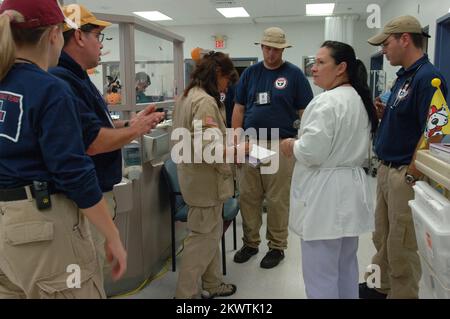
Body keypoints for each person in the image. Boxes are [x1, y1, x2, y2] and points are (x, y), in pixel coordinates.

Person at [0, 0, 126, 298]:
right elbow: (74, 173)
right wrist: (112, 235)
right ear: (54, 34)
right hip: (42, 232)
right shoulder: (49, 88)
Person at [49, 4, 164, 285]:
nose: (101, 45)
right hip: (83, 205)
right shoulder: (62, 80)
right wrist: (134, 130)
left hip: (95, 197)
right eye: (98, 37)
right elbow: (92, 143)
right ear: (78, 37)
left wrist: (130, 124)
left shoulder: (78, 78)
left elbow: (95, 127)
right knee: (84, 278)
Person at [280, 41, 378, 299]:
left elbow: (312, 152)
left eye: (321, 62)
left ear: (341, 68)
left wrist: (291, 145)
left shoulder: (326, 102)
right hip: (350, 190)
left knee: (320, 275)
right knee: (346, 267)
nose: (313, 68)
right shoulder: (358, 99)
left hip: (325, 197)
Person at [360, 15, 448, 299]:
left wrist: (413, 172)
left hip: (404, 174)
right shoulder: (405, 77)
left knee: (402, 244)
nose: (383, 50)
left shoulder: (428, 79)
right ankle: (381, 285)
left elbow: (437, 132)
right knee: (382, 235)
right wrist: (388, 115)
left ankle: (403, 293)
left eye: (386, 44)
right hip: (387, 170)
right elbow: (412, 121)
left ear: (405, 39)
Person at [232, 27, 313, 269]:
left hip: (280, 144)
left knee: (277, 199)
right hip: (251, 143)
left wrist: (302, 141)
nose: (271, 54)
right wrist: (237, 142)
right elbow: (238, 109)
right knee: (249, 195)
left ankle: (277, 246)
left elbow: (305, 112)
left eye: (276, 49)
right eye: (267, 48)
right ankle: (250, 242)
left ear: (283, 49)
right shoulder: (250, 74)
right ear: (261, 48)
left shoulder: (295, 75)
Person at [172, 51, 244, 299]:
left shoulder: (186, 96)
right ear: (217, 74)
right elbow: (210, 151)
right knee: (201, 241)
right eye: (226, 80)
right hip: (205, 184)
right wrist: (239, 149)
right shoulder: (204, 102)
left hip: (195, 178)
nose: (226, 87)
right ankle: (185, 296)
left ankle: (212, 284)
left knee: (210, 236)